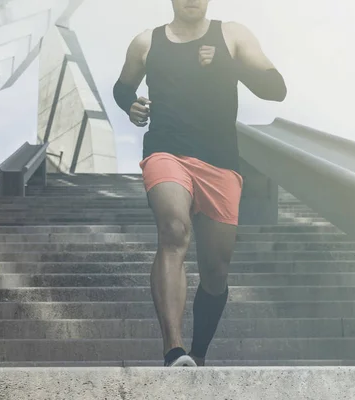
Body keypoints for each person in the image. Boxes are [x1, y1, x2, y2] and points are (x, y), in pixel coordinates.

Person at [112, 0, 287, 367]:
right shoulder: (146, 42)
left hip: (220, 162)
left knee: (216, 270)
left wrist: (228, 64)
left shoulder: (232, 35)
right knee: (174, 230)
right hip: (166, 152)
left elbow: (276, 88)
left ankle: (198, 354)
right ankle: (173, 351)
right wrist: (131, 104)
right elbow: (122, 87)